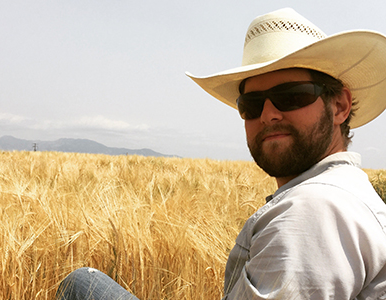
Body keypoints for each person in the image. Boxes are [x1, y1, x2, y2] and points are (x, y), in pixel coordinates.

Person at [56, 8, 386, 299]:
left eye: (291, 95)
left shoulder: (313, 212)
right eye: (252, 105)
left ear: (340, 105)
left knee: (81, 285)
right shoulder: (347, 191)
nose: (269, 114)